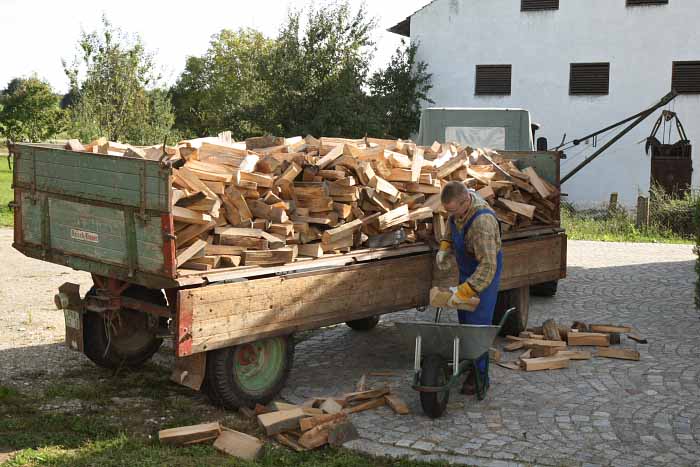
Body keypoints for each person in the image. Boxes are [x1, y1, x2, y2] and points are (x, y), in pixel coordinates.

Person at [436, 181, 503, 395]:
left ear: (466, 201)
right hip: (467, 267)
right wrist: (445, 246)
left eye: (453, 210)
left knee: (478, 327)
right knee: (464, 321)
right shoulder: (457, 208)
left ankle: (480, 376)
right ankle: (469, 363)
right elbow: (451, 223)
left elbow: (488, 266)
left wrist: (466, 291)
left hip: (485, 270)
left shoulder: (483, 222)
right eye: (448, 210)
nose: (451, 214)